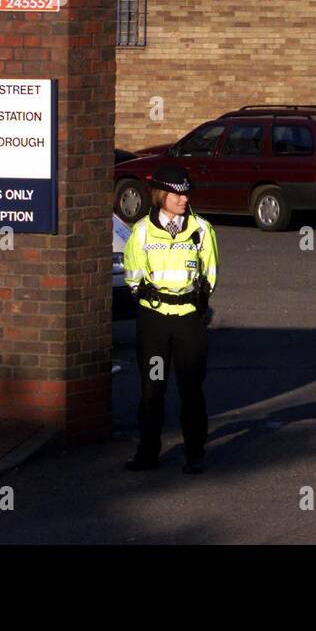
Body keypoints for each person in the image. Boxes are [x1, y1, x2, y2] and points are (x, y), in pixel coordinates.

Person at [121, 166, 219, 474]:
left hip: (189, 320)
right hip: (155, 322)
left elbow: (210, 273)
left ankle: (194, 454)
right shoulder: (142, 231)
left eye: (187, 192)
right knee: (153, 388)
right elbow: (133, 274)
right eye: (177, 193)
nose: (184, 199)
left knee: (191, 389)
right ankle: (147, 454)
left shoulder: (202, 229)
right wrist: (149, 299)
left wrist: (196, 301)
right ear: (162, 195)